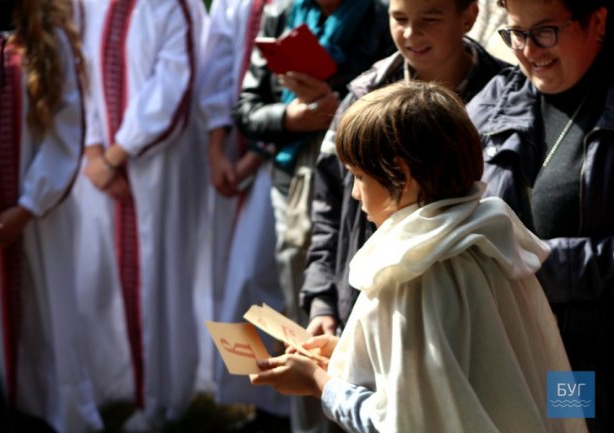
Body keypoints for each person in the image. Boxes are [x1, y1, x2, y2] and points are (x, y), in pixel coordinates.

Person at [250, 80, 587, 433]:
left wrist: (320, 384)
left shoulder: (411, 269)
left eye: (360, 177)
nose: (353, 194)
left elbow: (407, 421)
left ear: (402, 175)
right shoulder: (481, 235)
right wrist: (349, 353)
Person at [300, 0, 507, 338]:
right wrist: (321, 299)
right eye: (399, 19)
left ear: (468, 16)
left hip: (472, 319)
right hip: (365, 312)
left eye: (430, 19)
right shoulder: (363, 96)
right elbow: (329, 208)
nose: (412, 33)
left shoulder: (510, 98)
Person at [234, 1, 394, 431]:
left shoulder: (383, 17)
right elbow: (247, 109)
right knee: (302, 303)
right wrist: (290, 116)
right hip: (293, 177)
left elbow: (387, 99)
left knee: (355, 306)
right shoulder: (281, 14)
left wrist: (335, 110)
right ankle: (306, 422)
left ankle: (357, 415)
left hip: (361, 180)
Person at [467, 0, 613, 431]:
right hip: (505, 356)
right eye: (516, 33)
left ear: (598, 20)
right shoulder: (496, 99)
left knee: (569, 423)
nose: (529, 50)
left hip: (583, 364)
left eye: (545, 31)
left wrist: (543, 263)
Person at [0, 0, 103, 432]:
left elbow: (67, 125)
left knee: (47, 319)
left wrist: (28, 206)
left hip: (40, 218)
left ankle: (50, 413)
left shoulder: (52, 38)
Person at [74, 0, 208, 431]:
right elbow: (82, 71)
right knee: (95, 274)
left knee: (154, 278)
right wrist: (94, 150)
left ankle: (158, 398)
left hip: (154, 166)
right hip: (95, 165)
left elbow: (172, 86)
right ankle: (106, 384)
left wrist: (117, 155)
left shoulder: (174, 6)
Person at [197, 0, 292, 429]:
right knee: (231, 284)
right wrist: (218, 149)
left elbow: (292, 86)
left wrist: (252, 159)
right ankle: (251, 400)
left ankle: (285, 405)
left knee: (260, 279)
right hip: (230, 158)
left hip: (280, 157)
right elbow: (216, 68)